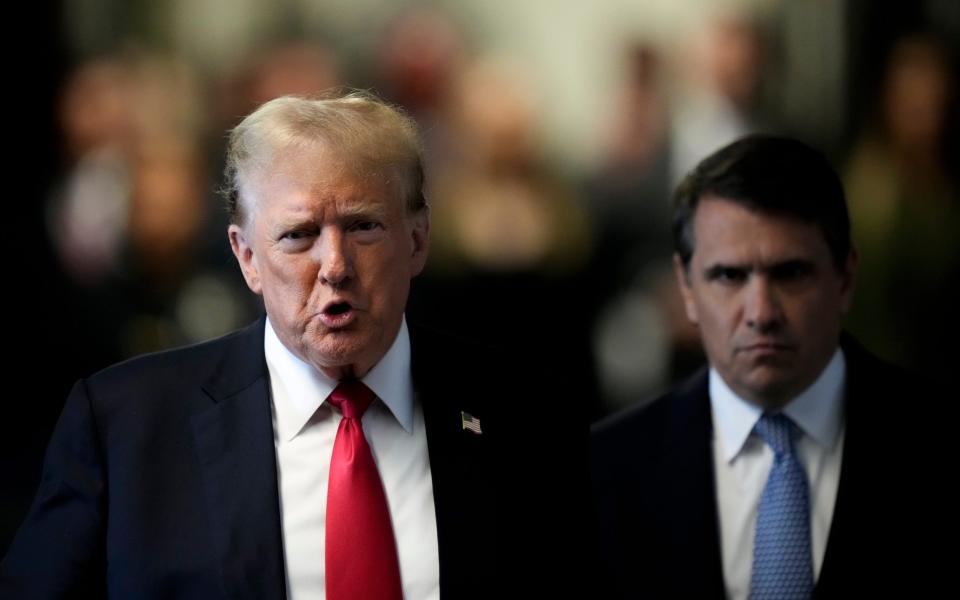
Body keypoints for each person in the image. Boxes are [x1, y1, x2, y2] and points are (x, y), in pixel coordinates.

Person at [2, 92, 582, 599]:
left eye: (363, 227)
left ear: (418, 239)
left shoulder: (531, 414)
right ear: (246, 256)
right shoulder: (125, 427)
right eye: (298, 235)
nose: (334, 266)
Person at [592, 134, 949, 599]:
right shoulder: (607, 468)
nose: (761, 312)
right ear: (686, 288)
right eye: (729, 276)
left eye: (791, 273)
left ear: (846, 278)